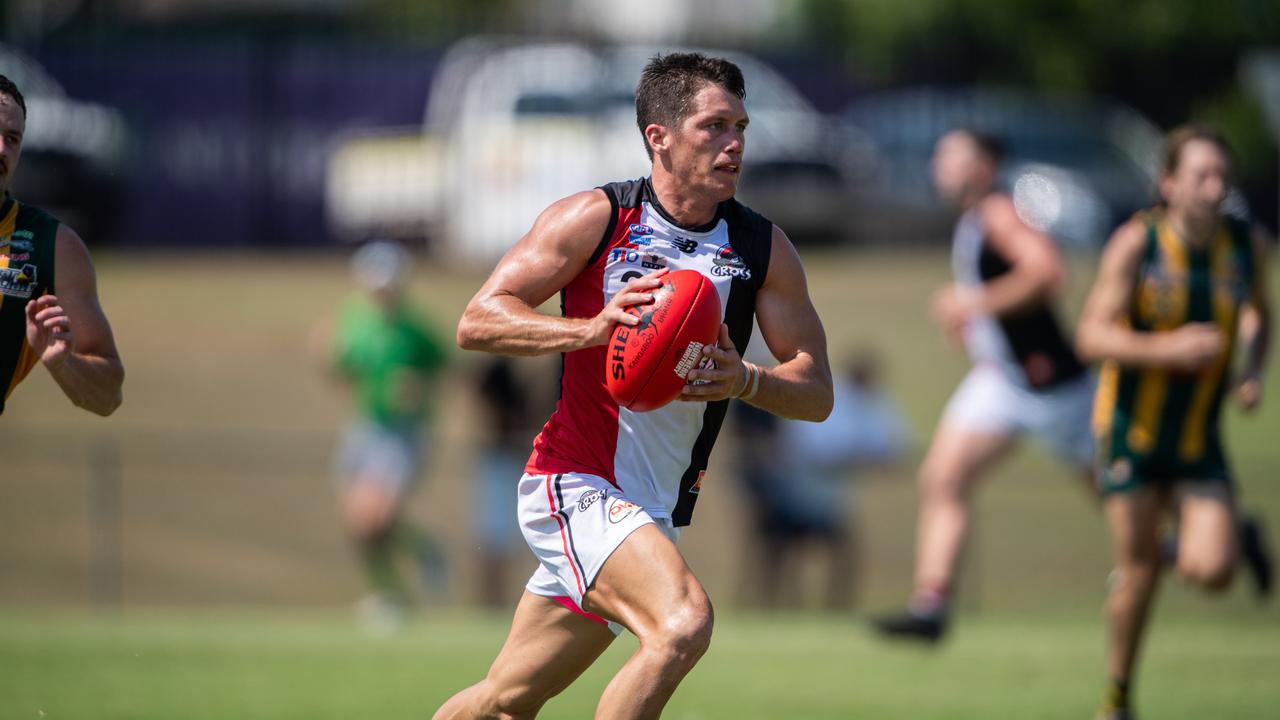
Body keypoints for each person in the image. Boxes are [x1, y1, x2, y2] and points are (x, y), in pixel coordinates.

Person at [434, 53, 832, 719]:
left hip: (648, 512)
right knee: (681, 624)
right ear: (660, 137)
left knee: (503, 703)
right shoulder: (595, 219)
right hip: (574, 482)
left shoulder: (762, 249)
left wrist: (746, 379)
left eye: (741, 126)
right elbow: (477, 320)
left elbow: (816, 391)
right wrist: (589, 331)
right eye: (713, 126)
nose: (734, 143)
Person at [1075, 124, 1272, 720]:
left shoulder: (1246, 244)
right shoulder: (1139, 244)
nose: (1215, 189)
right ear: (1169, 183)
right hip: (1130, 429)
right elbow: (1090, 335)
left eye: (1223, 177)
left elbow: (1260, 312)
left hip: (1197, 437)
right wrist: (1168, 349)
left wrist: (1252, 368)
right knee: (1138, 575)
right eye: (1201, 176)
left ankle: (1189, 543)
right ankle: (1118, 698)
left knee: (1213, 571)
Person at [872, 129, 1096, 642]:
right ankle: (931, 608)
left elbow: (1046, 271)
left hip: (1053, 388)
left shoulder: (998, 212)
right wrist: (976, 326)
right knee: (944, 477)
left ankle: (1211, 539)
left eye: (950, 156)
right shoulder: (973, 220)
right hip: (1001, 382)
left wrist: (971, 305)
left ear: (983, 167)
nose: (937, 164)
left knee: (1120, 500)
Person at [327, 240, 450, 632]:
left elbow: (444, 367)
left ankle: (416, 569)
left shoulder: (415, 331)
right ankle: (393, 592)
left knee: (377, 517)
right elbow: (343, 367)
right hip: (365, 428)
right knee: (360, 527)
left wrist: (416, 390)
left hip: (403, 434)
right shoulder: (354, 319)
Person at [735, 349, 908, 610]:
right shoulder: (834, 400)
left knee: (841, 552)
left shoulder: (877, 404)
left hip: (828, 498)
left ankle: (833, 609)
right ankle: (769, 606)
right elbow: (807, 449)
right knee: (781, 552)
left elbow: (893, 451)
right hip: (792, 490)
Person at [0, 74, 122, 417]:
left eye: (12, 139)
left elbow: (107, 396)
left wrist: (63, 364)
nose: (2, 150)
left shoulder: (50, 245)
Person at [471, 356, 537, 608]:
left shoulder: (515, 368)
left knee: (512, 535)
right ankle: (492, 601)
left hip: (519, 457)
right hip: (502, 454)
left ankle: (506, 600)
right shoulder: (497, 367)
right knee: (495, 535)